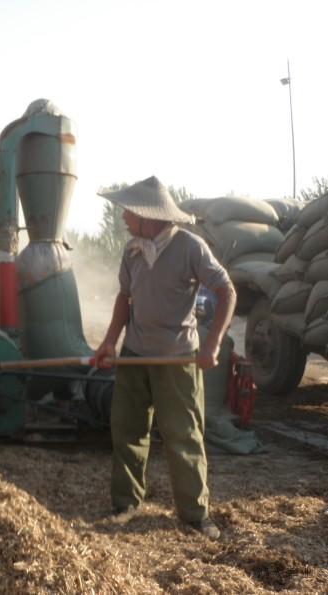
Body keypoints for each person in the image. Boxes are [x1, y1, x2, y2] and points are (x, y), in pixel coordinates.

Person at [93, 176, 236, 540]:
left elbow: (226, 290)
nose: (123, 217)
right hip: (135, 355)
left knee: (183, 435)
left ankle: (195, 515)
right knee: (127, 429)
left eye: (129, 211)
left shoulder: (190, 247)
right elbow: (124, 298)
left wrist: (212, 344)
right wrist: (110, 342)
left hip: (176, 358)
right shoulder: (133, 250)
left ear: (147, 215)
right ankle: (125, 505)